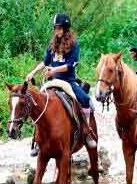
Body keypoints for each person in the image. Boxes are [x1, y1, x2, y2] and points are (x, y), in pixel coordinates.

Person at [35, 12, 95, 152]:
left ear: (66, 29)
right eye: (55, 28)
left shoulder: (74, 44)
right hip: (53, 80)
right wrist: (32, 72)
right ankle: (37, 140)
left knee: (85, 99)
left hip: (68, 81)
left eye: (59, 28)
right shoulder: (52, 44)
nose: (57, 31)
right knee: (37, 103)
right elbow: (45, 62)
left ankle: (86, 131)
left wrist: (54, 70)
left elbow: (70, 65)